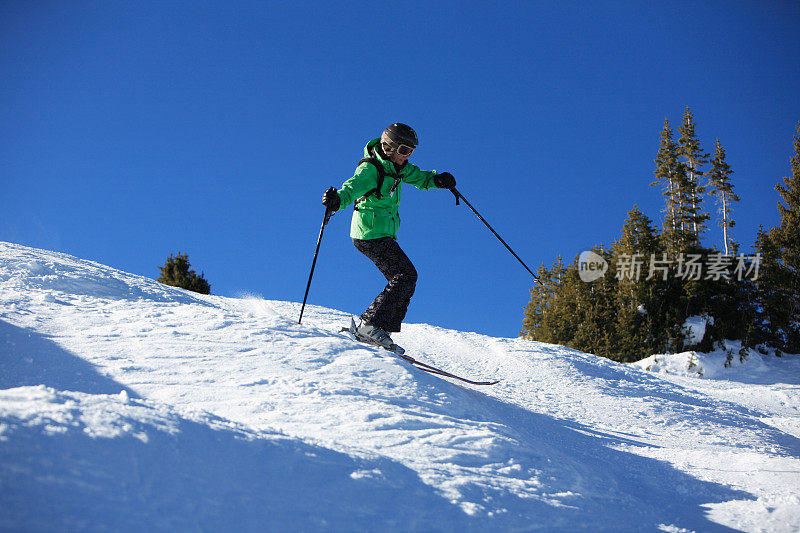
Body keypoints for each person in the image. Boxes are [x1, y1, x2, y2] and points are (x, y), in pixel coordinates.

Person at [322, 123, 456, 351]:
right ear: (387, 147)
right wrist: (336, 201)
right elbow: (351, 188)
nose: (407, 157)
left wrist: (438, 180)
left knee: (405, 278)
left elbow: (421, 178)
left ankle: (377, 329)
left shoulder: (399, 169)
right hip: (368, 234)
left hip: (382, 234)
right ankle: (370, 325)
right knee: (405, 275)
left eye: (411, 152)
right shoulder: (371, 169)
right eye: (404, 151)